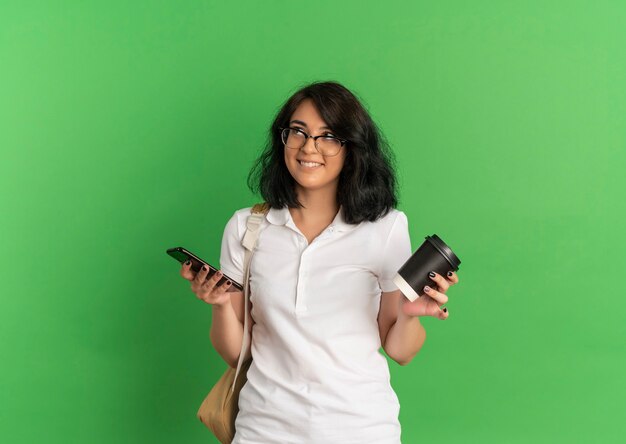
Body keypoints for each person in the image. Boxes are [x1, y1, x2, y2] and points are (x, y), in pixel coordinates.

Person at [180, 81, 459, 443]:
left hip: (360, 428)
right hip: (263, 429)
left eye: (328, 136)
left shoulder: (385, 228)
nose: (309, 147)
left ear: (351, 148)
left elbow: (400, 352)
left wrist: (409, 313)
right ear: (283, 139)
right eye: (298, 132)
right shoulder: (247, 227)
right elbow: (237, 354)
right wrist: (219, 305)